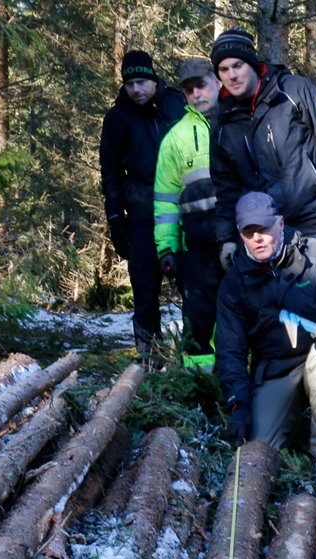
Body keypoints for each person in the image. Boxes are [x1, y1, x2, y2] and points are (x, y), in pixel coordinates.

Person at [215, 191, 316, 486]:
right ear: (240, 235)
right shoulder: (234, 284)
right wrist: (238, 403)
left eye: (264, 228)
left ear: (280, 223)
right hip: (276, 370)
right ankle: (290, 423)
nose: (258, 238)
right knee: (260, 447)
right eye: (249, 232)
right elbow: (230, 352)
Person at [210, 27, 316, 270]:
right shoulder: (223, 122)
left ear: (252, 64)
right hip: (261, 230)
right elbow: (225, 187)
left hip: (314, 217)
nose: (232, 75)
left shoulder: (293, 91)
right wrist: (226, 238)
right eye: (224, 69)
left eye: (238, 65)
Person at [99, 50, 186, 364]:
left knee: (193, 290)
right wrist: (116, 221)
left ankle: (196, 361)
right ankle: (150, 362)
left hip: (184, 213)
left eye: (141, 82)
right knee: (145, 293)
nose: (136, 89)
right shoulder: (117, 118)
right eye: (130, 83)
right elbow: (110, 172)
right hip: (142, 215)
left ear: (153, 79)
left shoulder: (176, 103)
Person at [153, 57, 224, 372]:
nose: (196, 94)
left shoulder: (240, 121)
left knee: (241, 315)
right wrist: (167, 248)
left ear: (217, 82)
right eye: (189, 89)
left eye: (201, 86)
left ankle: (240, 382)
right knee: (199, 320)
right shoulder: (176, 137)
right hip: (196, 247)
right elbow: (165, 199)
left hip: (242, 241)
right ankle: (198, 382)